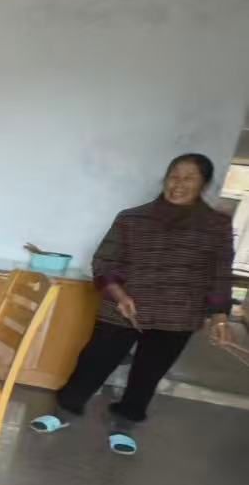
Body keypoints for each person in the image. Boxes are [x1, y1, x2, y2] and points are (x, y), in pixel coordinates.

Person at [30, 153, 236, 454]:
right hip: (122, 308)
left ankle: (125, 422)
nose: (178, 184)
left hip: (178, 314)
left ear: (203, 184)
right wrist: (119, 294)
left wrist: (219, 316)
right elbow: (104, 260)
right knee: (93, 362)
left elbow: (220, 272)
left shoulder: (216, 225)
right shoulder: (132, 218)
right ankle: (64, 411)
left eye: (188, 178)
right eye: (173, 176)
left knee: (148, 373)